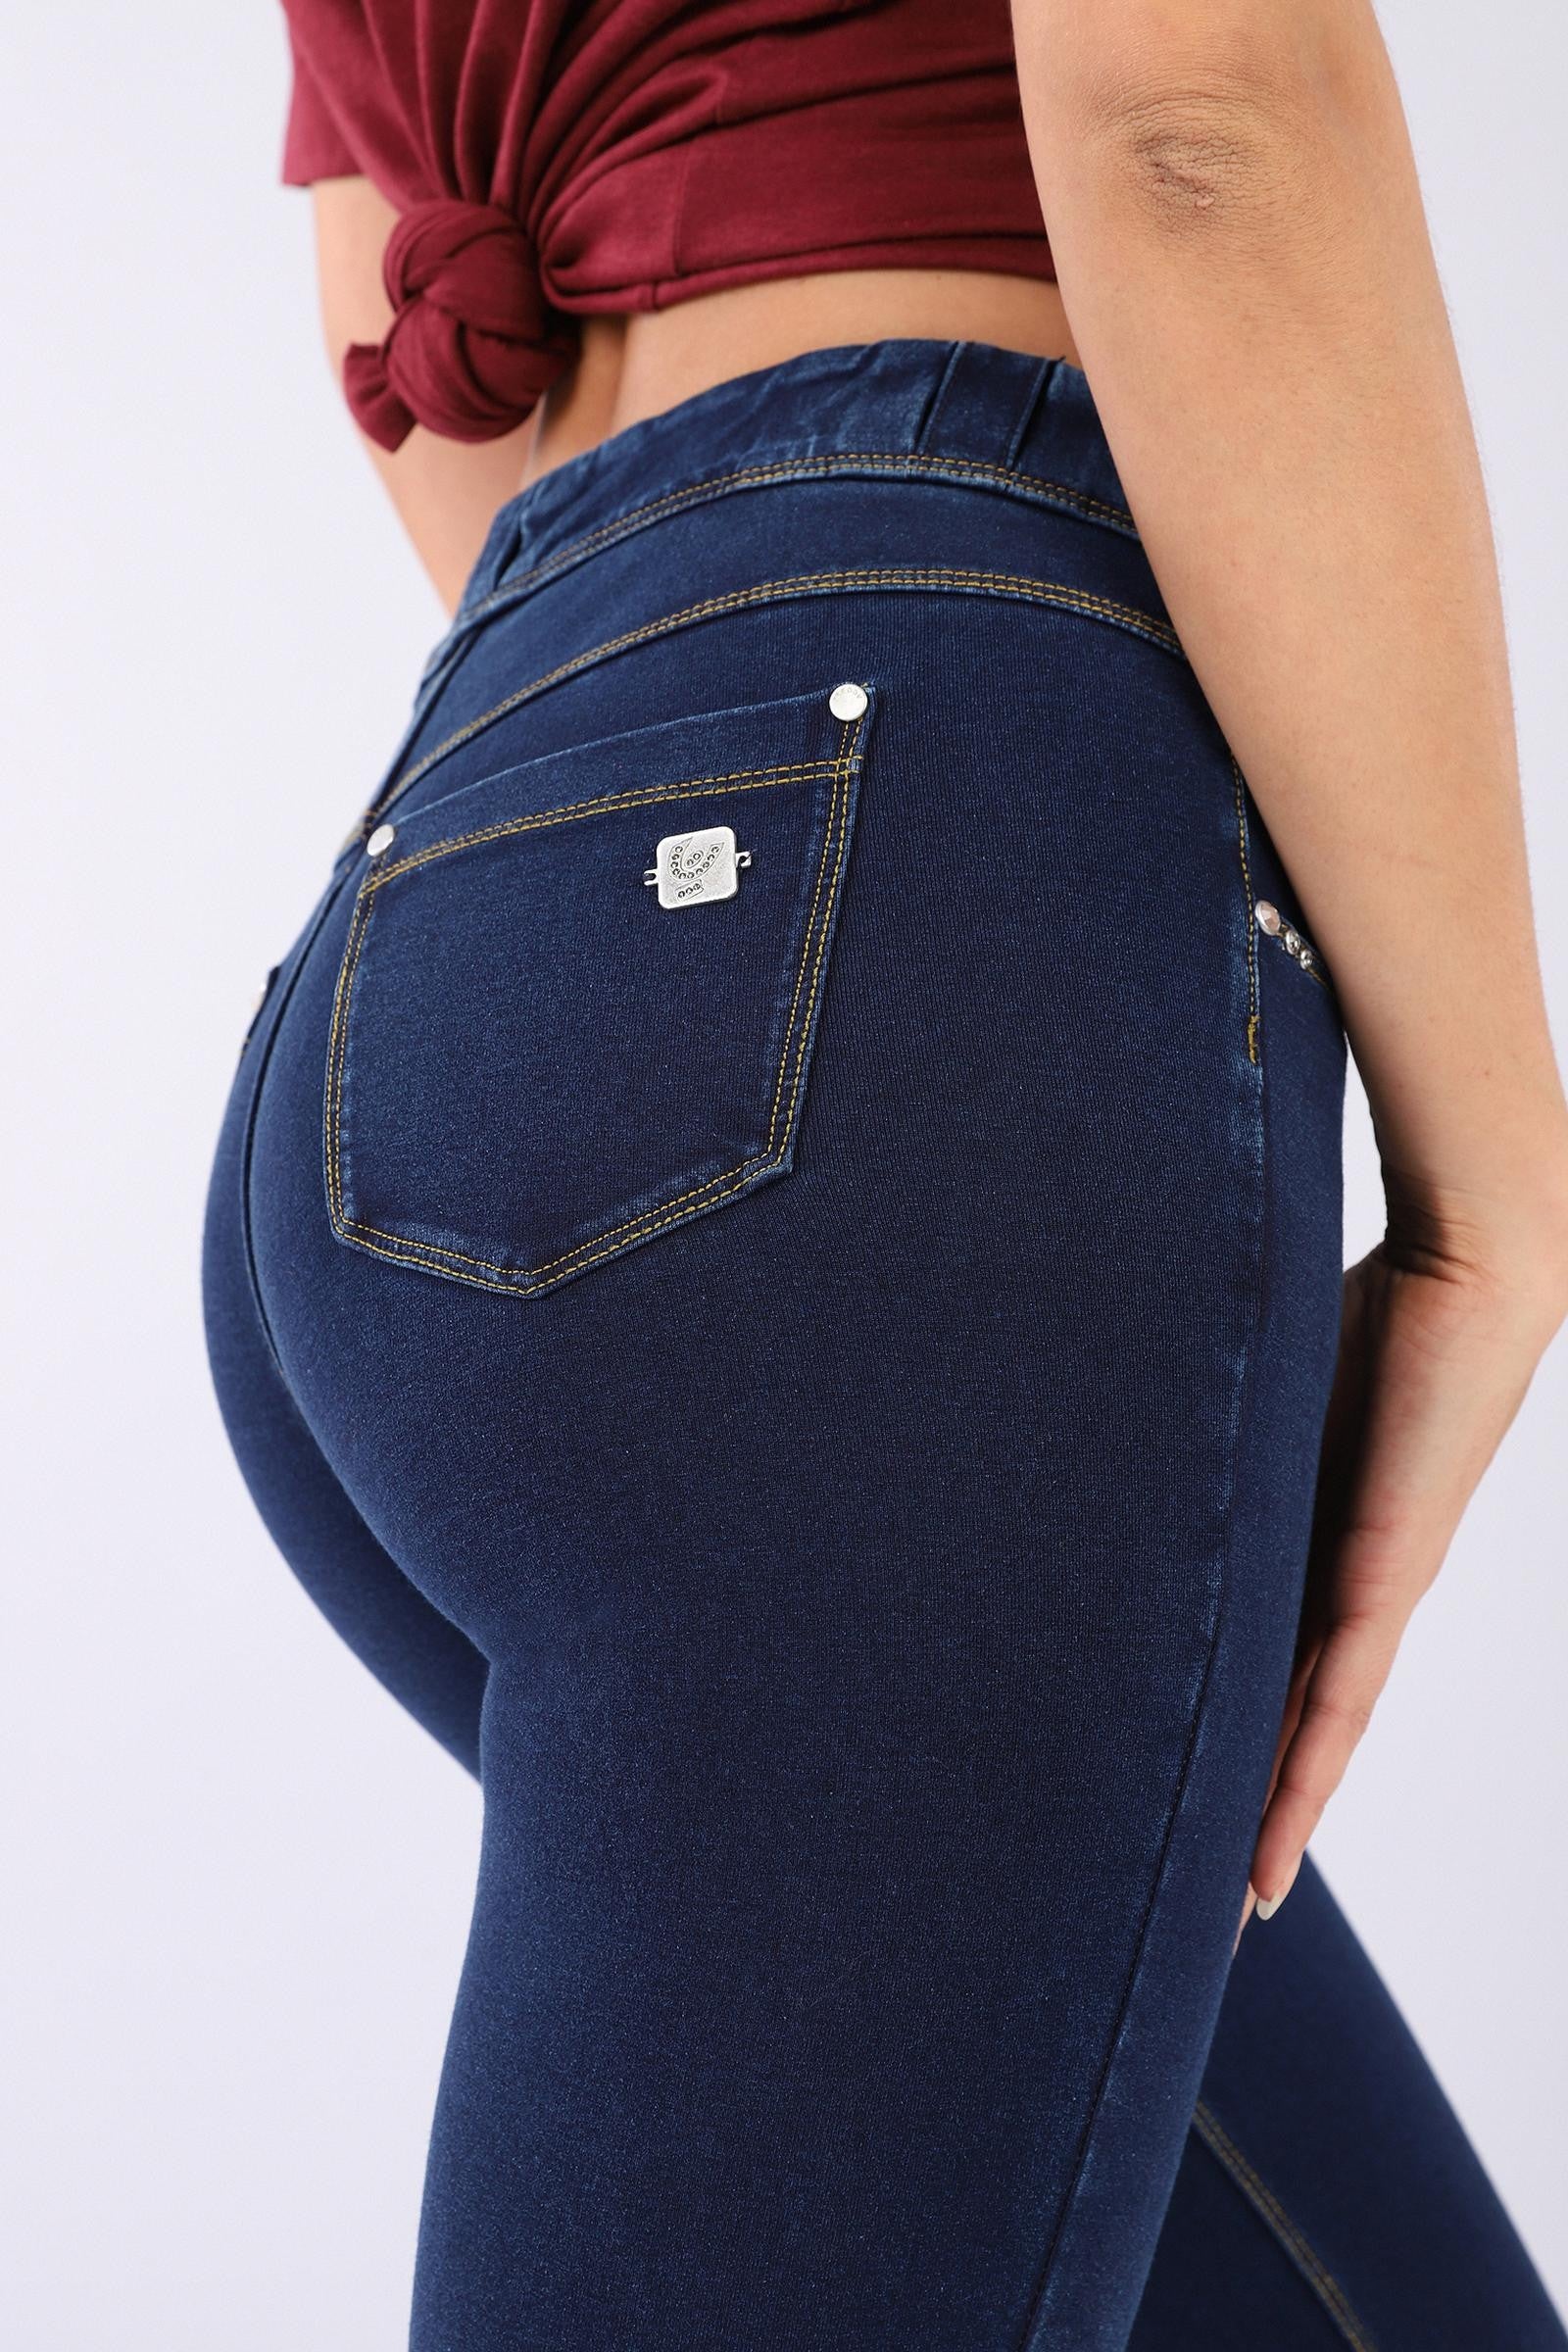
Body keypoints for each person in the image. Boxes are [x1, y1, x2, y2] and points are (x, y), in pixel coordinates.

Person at [202, 2, 1568, 2344]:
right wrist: (1492, 1196)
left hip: (439, 949)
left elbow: (416, 335)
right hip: (894, 940)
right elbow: (1194, 114)